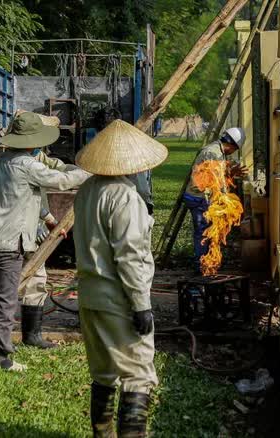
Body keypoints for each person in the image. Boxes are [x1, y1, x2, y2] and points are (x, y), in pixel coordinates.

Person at [0, 112, 90, 371]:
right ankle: (2, 357)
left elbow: (35, 190)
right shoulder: (27, 165)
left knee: (1, 297)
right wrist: (90, 173)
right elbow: (62, 180)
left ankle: (11, 341)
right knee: (6, 301)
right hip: (9, 242)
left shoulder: (2, 161)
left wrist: (48, 216)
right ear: (31, 140)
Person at [73, 119, 168, 437]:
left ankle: (103, 433)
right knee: (138, 374)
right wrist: (141, 305)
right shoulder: (125, 198)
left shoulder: (87, 191)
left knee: (103, 373)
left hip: (89, 296)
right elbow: (130, 257)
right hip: (118, 300)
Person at [183, 127, 248, 274]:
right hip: (199, 198)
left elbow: (216, 176)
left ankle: (208, 263)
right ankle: (202, 267)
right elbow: (215, 181)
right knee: (203, 233)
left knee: (209, 232)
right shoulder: (212, 153)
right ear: (232, 146)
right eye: (235, 150)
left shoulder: (218, 152)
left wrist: (231, 173)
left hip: (202, 197)